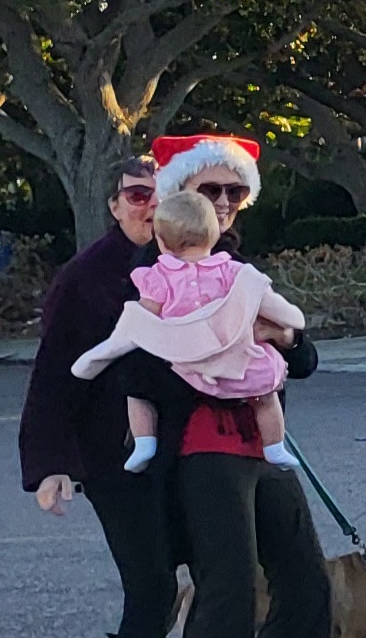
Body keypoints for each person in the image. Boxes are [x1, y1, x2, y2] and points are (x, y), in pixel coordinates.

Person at [93, 135, 341, 638]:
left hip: (258, 445)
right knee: (226, 604)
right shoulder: (151, 273)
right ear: (179, 195)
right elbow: (128, 373)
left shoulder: (237, 271)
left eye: (235, 192)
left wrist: (278, 340)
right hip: (198, 453)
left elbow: (307, 352)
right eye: (211, 190)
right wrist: (212, 347)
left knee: (307, 584)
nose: (225, 203)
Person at [20, 158, 176, 638]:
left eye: (161, 195)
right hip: (115, 458)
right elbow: (54, 373)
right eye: (137, 195)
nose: (149, 205)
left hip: (187, 450)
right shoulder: (85, 276)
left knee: (222, 586)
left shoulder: (189, 263)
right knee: (151, 590)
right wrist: (51, 463)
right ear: (114, 205)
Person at [69, 189, 306, 466]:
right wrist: (292, 322)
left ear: (161, 242)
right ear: (214, 235)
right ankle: (274, 446)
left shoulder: (158, 278)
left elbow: (141, 320)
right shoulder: (235, 273)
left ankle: (144, 442)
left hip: (186, 364)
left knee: (136, 388)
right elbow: (281, 311)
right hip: (236, 361)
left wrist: (111, 348)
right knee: (266, 395)